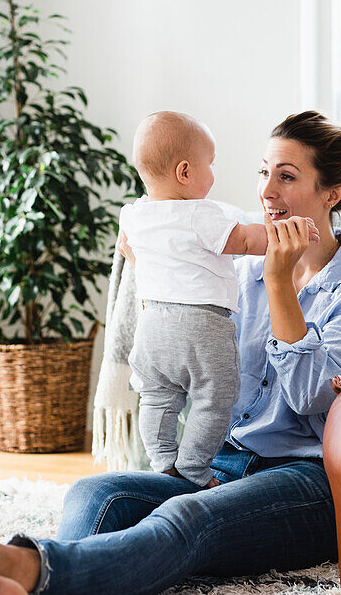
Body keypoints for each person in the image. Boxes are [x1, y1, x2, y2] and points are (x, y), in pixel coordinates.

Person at [0, 109, 341, 595]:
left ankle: (29, 565)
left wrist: (279, 287)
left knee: (185, 515)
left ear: (332, 194)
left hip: (309, 483)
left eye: (287, 176)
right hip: (220, 460)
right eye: (263, 172)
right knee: (97, 493)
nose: (266, 191)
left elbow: (313, 397)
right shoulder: (233, 266)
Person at [120, 110, 319, 489]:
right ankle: (194, 467)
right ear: (184, 173)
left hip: (151, 327)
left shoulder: (134, 215)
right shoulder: (201, 214)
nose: (213, 174)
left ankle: (163, 461)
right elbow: (245, 240)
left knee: (158, 397)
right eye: (208, 165)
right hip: (201, 324)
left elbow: (136, 254)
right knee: (215, 397)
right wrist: (286, 233)